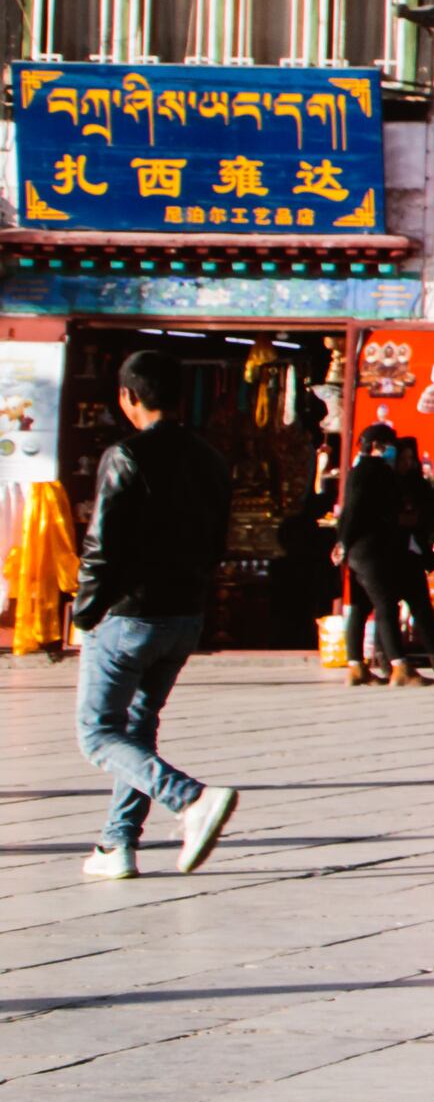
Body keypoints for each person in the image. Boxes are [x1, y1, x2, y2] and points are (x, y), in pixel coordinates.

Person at [72, 350, 243, 880]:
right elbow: (218, 543)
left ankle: (190, 799)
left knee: (98, 733)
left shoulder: (127, 455)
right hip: (183, 615)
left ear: (128, 397)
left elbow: (103, 543)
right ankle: (116, 844)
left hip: (130, 615)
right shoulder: (211, 459)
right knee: (138, 728)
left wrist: (83, 610)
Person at [333, 424, 434, 684]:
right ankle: (400, 667)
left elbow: (351, 511)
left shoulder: (359, 470)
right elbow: (355, 510)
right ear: (378, 446)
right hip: (370, 550)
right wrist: (343, 542)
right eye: (389, 446)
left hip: (359, 550)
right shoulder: (374, 470)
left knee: (359, 607)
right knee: (385, 605)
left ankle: (356, 667)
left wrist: (344, 543)